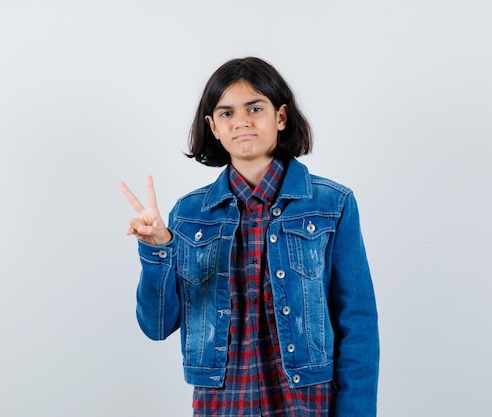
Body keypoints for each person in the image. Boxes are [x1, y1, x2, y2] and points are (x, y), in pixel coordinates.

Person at [119, 57, 379, 417]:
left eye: (254, 108)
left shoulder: (333, 205)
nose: (241, 121)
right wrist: (157, 251)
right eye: (226, 113)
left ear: (281, 117)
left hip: (308, 404)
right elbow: (157, 325)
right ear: (212, 126)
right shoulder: (189, 214)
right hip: (222, 405)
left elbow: (359, 323)